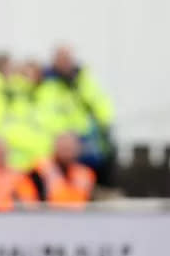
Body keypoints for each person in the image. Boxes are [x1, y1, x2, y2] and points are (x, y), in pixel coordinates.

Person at [37, 46, 115, 186]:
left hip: (84, 138)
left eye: (67, 59)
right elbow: (43, 114)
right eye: (61, 59)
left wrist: (104, 125)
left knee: (98, 161)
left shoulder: (84, 82)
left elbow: (102, 106)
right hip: (57, 140)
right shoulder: (47, 85)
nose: (64, 63)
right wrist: (61, 137)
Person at [29, 133, 96, 205]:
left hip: (77, 214)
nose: (67, 153)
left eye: (70, 148)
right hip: (47, 213)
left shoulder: (85, 173)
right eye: (64, 148)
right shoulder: (40, 170)